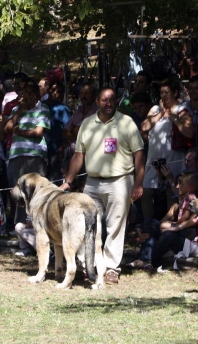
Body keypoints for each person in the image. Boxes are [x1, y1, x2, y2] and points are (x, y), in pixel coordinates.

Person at [60, 87, 145, 285]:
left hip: (120, 181)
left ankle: (111, 268)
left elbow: (139, 153)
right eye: (105, 100)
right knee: (85, 224)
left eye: (112, 100)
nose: (108, 104)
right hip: (92, 182)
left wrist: (138, 182)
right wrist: (68, 181)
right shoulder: (87, 124)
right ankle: (84, 265)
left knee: (115, 225)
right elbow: (78, 155)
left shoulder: (126, 122)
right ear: (97, 101)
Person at [128, 173, 198, 271]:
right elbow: (160, 223)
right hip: (177, 231)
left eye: (181, 184)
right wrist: (146, 231)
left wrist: (175, 225)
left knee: (168, 234)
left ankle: (148, 260)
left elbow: (189, 219)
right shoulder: (179, 202)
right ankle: (145, 260)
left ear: (190, 187)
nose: (177, 187)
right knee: (150, 223)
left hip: (187, 238)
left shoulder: (192, 199)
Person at [140, 78, 192, 220]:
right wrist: (161, 114)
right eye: (161, 92)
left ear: (175, 93)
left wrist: (174, 117)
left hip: (174, 159)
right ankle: (148, 226)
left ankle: (169, 225)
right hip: (154, 159)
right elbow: (144, 126)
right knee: (146, 193)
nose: (163, 95)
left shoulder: (182, 109)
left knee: (172, 193)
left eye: (167, 92)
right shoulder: (155, 109)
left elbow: (189, 132)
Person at [3, 79, 50, 228]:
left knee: (35, 190)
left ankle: (37, 223)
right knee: (19, 192)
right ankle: (20, 225)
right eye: (23, 94)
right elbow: (7, 128)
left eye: (29, 94)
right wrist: (19, 110)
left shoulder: (43, 109)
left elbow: (38, 131)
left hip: (35, 155)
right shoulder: (17, 110)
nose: (26, 97)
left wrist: (19, 131)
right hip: (16, 154)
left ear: (36, 95)